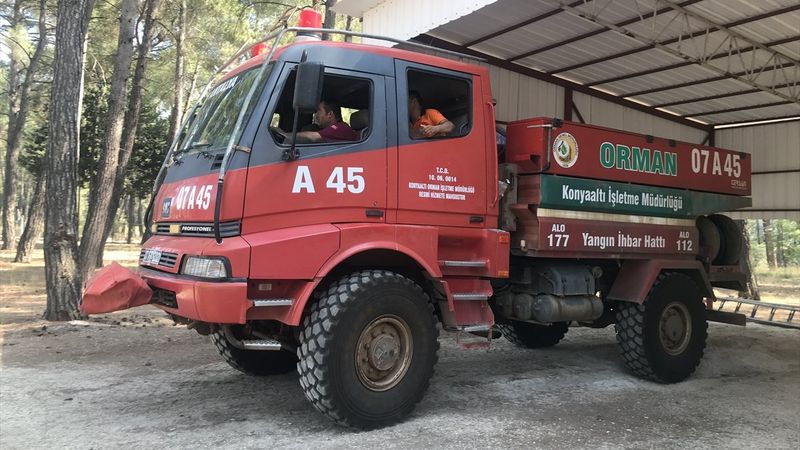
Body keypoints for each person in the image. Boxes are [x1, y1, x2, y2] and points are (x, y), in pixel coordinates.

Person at [273, 100, 358, 143]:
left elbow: (313, 137)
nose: (315, 114)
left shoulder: (339, 128)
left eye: (319, 111)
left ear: (330, 114)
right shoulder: (331, 129)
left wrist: (285, 135)